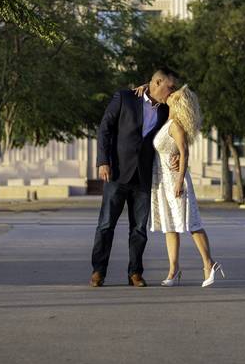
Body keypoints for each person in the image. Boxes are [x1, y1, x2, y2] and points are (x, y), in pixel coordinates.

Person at [90, 68, 178, 287]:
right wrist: (103, 161)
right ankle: (98, 271)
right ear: (158, 82)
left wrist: (178, 154)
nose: (172, 91)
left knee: (139, 228)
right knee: (106, 225)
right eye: (170, 87)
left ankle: (135, 273)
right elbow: (105, 129)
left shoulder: (167, 109)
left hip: (144, 177)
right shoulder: (125, 98)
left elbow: (177, 132)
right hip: (117, 172)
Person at [147, 84, 225, 287]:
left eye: (173, 95)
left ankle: (209, 264)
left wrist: (180, 180)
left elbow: (185, 153)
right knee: (169, 226)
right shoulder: (168, 121)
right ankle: (173, 271)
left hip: (175, 180)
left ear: (178, 102)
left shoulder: (176, 125)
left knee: (191, 223)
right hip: (163, 180)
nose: (168, 95)